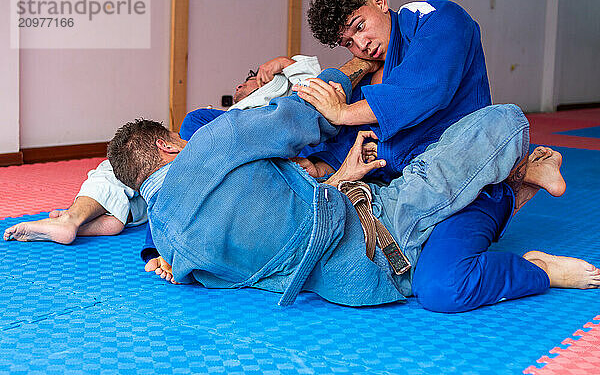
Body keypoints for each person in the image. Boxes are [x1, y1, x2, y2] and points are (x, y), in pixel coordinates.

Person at [106, 65, 596, 313]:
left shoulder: (168, 245)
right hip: (382, 223)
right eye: (178, 140)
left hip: (363, 283)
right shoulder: (209, 143)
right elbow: (304, 117)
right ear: (170, 148)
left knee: (440, 234)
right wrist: (349, 73)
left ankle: (511, 185)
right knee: (505, 122)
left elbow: (277, 220)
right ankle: (518, 198)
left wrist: (335, 175)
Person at [3, 55, 321, 245]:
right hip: (180, 173)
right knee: (133, 163)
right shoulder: (207, 116)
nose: (239, 85)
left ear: (270, 84)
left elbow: (313, 89)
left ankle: (81, 217)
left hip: (218, 176)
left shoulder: (272, 107)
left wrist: (285, 64)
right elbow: (169, 164)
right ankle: (96, 216)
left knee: (129, 169)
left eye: (250, 79)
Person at [299, 0, 500, 185]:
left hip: (457, 164)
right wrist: (321, 166)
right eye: (348, 42)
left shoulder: (439, 18)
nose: (361, 44)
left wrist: (343, 113)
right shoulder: (370, 68)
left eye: (360, 27)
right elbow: (349, 141)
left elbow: (423, 91)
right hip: (395, 178)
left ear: (380, 2)